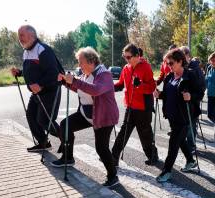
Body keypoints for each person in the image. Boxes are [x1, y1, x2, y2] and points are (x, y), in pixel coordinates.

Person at [52, 47, 120, 187]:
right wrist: (66, 81)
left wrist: (75, 81)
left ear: (91, 61)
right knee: (65, 126)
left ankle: (113, 176)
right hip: (87, 114)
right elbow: (80, 88)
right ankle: (67, 157)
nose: (79, 65)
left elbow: (96, 90)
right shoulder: (86, 74)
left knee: (101, 148)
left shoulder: (104, 74)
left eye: (81, 62)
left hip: (103, 116)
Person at [11, 25, 61, 152]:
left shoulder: (43, 50)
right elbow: (33, 71)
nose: (19, 38)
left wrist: (41, 85)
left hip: (49, 90)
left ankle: (66, 139)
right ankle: (43, 142)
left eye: (22, 35)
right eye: (19, 35)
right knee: (31, 116)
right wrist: (20, 72)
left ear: (32, 36)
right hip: (37, 92)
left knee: (45, 121)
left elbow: (54, 73)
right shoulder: (26, 51)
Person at [154, 49, 198, 183]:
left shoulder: (190, 75)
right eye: (167, 63)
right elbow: (167, 95)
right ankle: (190, 160)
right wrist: (159, 94)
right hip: (172, 116)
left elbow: (199, 93)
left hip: (184, 117)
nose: (169, 65)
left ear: (180, 61)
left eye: (171, 63)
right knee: (180, 140)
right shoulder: (169, 76)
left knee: (173, 143)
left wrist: (191, 96)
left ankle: (166, 171)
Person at [112, 44, 159, 166]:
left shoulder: (146, 67)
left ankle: (153, 156)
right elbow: (121, 84)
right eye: (125, 57)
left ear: (137, 56)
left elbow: (152, 87)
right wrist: (109, 88)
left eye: (129, 57)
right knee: (124, 132)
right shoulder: (126, 68)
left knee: (145, 134)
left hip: (143, 108)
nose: (126, 59)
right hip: (130, 106)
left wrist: (140, 85)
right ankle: (114, 156)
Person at [179, 46, 205, 153]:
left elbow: (202, 88)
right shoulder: (181, 67)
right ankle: (186, 144)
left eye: (182, 55)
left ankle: (191, 146)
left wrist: (192, 97)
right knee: (184, 124)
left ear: (188, 56)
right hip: (182, 103)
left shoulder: (195, 68)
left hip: (193, 103)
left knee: (191, 124)